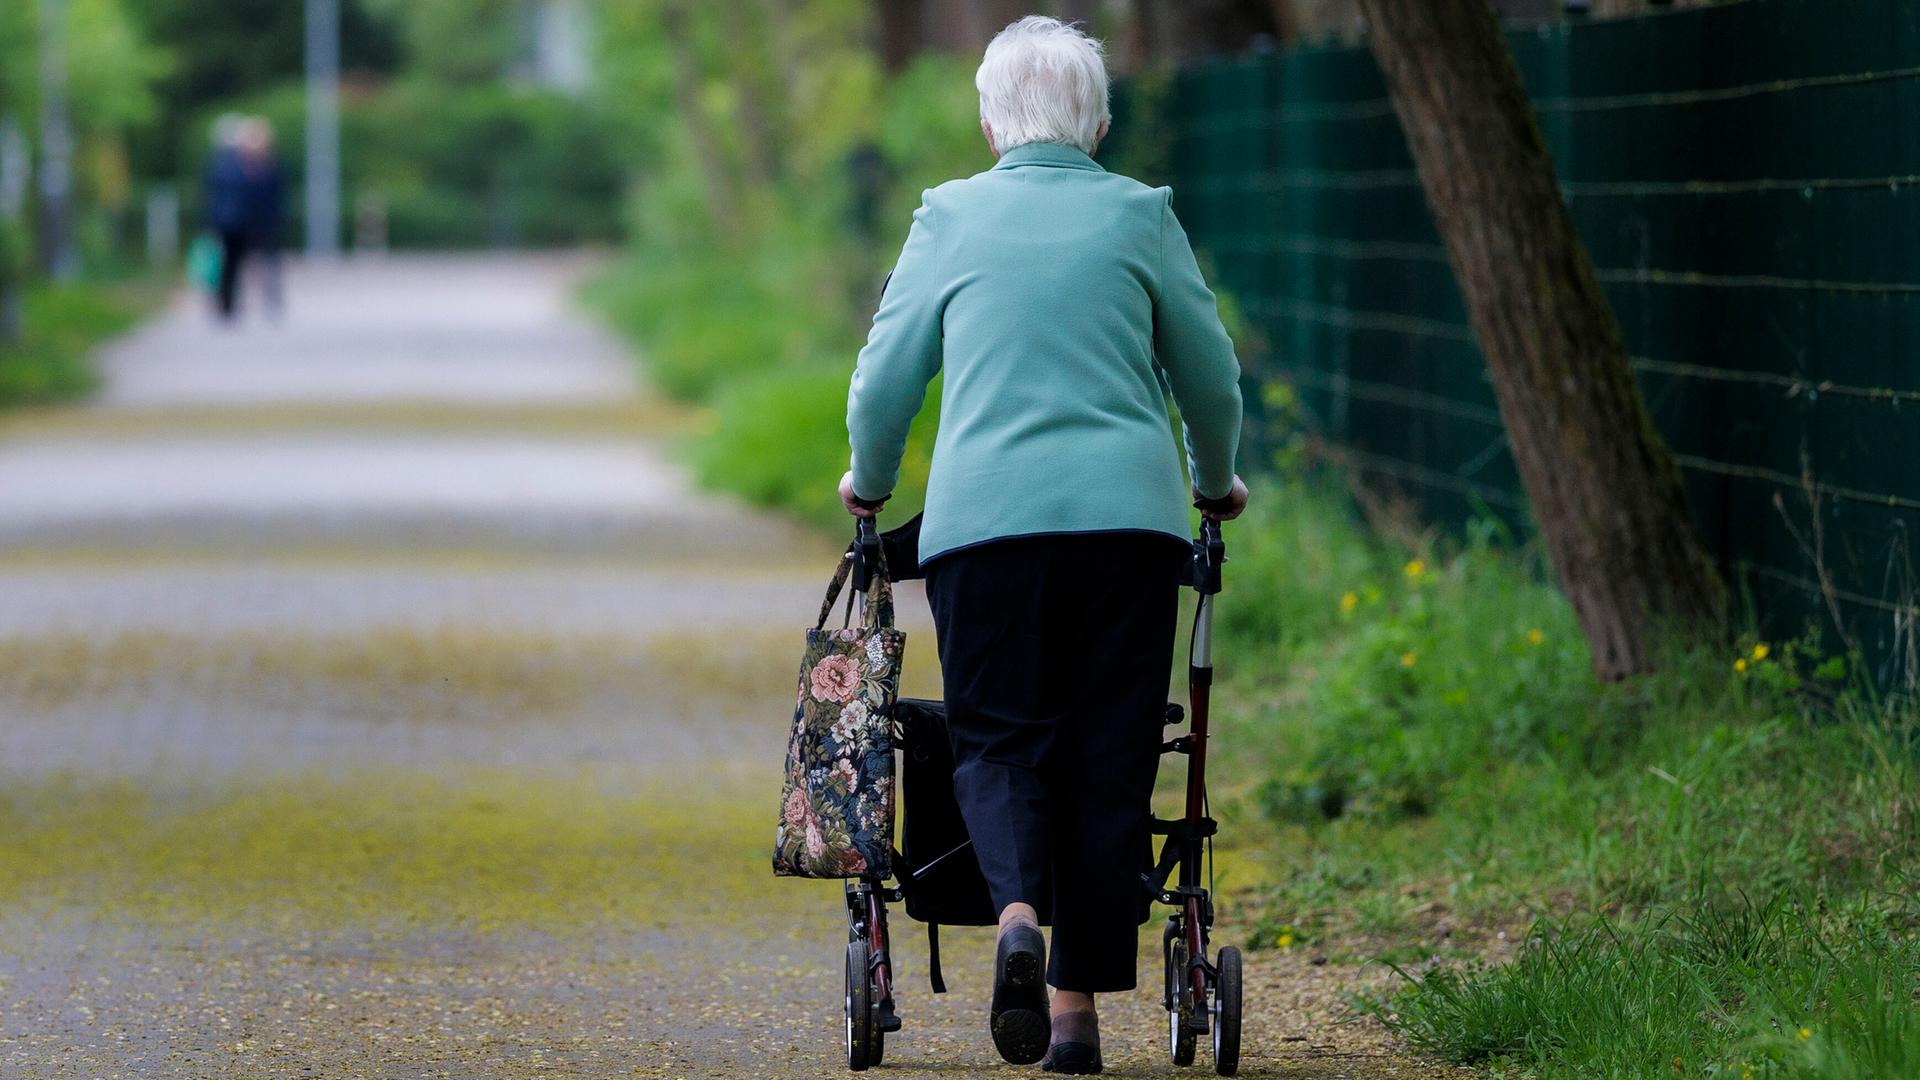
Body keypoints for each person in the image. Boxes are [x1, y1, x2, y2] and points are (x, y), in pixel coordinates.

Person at [839, 16, 1247, 1075]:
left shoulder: (948, 217)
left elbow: (885, 379)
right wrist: (1215, 482)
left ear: (987, 125)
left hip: (986, 530)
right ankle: (1073, 1015)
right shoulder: (1141, 215)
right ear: (1100, 123)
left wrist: (869, 485)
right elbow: (1209, 376)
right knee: (1109, 752)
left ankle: (1015, 913)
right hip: (1130, 530)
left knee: (999, 742)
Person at [204, 116, 285, 322]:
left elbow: (276, 196)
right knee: (231, 264)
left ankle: (272, 301)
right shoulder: (228, 166)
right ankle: (227, 304)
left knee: (269, 262)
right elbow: (217, 195)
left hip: (261, 222)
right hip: (233, 223)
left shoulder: (269, 165)